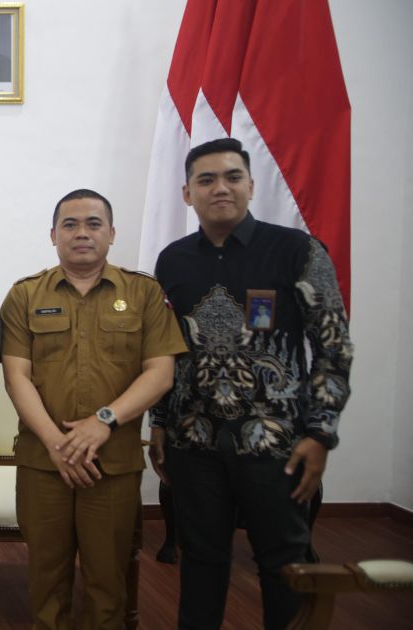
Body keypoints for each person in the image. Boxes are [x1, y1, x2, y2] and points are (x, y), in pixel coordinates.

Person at [150, 137, 353, 629]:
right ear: (187, 193)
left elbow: (333, 347)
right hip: (192, 440)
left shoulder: (297, 251)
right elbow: (166, 351)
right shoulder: (172, 261)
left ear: (251, 184)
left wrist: (320, 432)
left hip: (275, 441)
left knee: (284, 564)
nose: (221, 188)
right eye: (206, 179)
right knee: (200, 560)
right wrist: (160, 423)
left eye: (232, 177)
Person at [0, 189, 187, 629]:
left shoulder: (144, 294)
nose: (81, 233)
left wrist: (103, 422)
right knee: (46, 577)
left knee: (109, 581)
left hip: (112, 463)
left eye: (93, 224)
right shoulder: (24, 295)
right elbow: (16, 377)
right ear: (53, 235)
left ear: (111, 233)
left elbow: (160, 374)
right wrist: (57, 443)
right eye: (70, 224)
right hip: (44, 463)